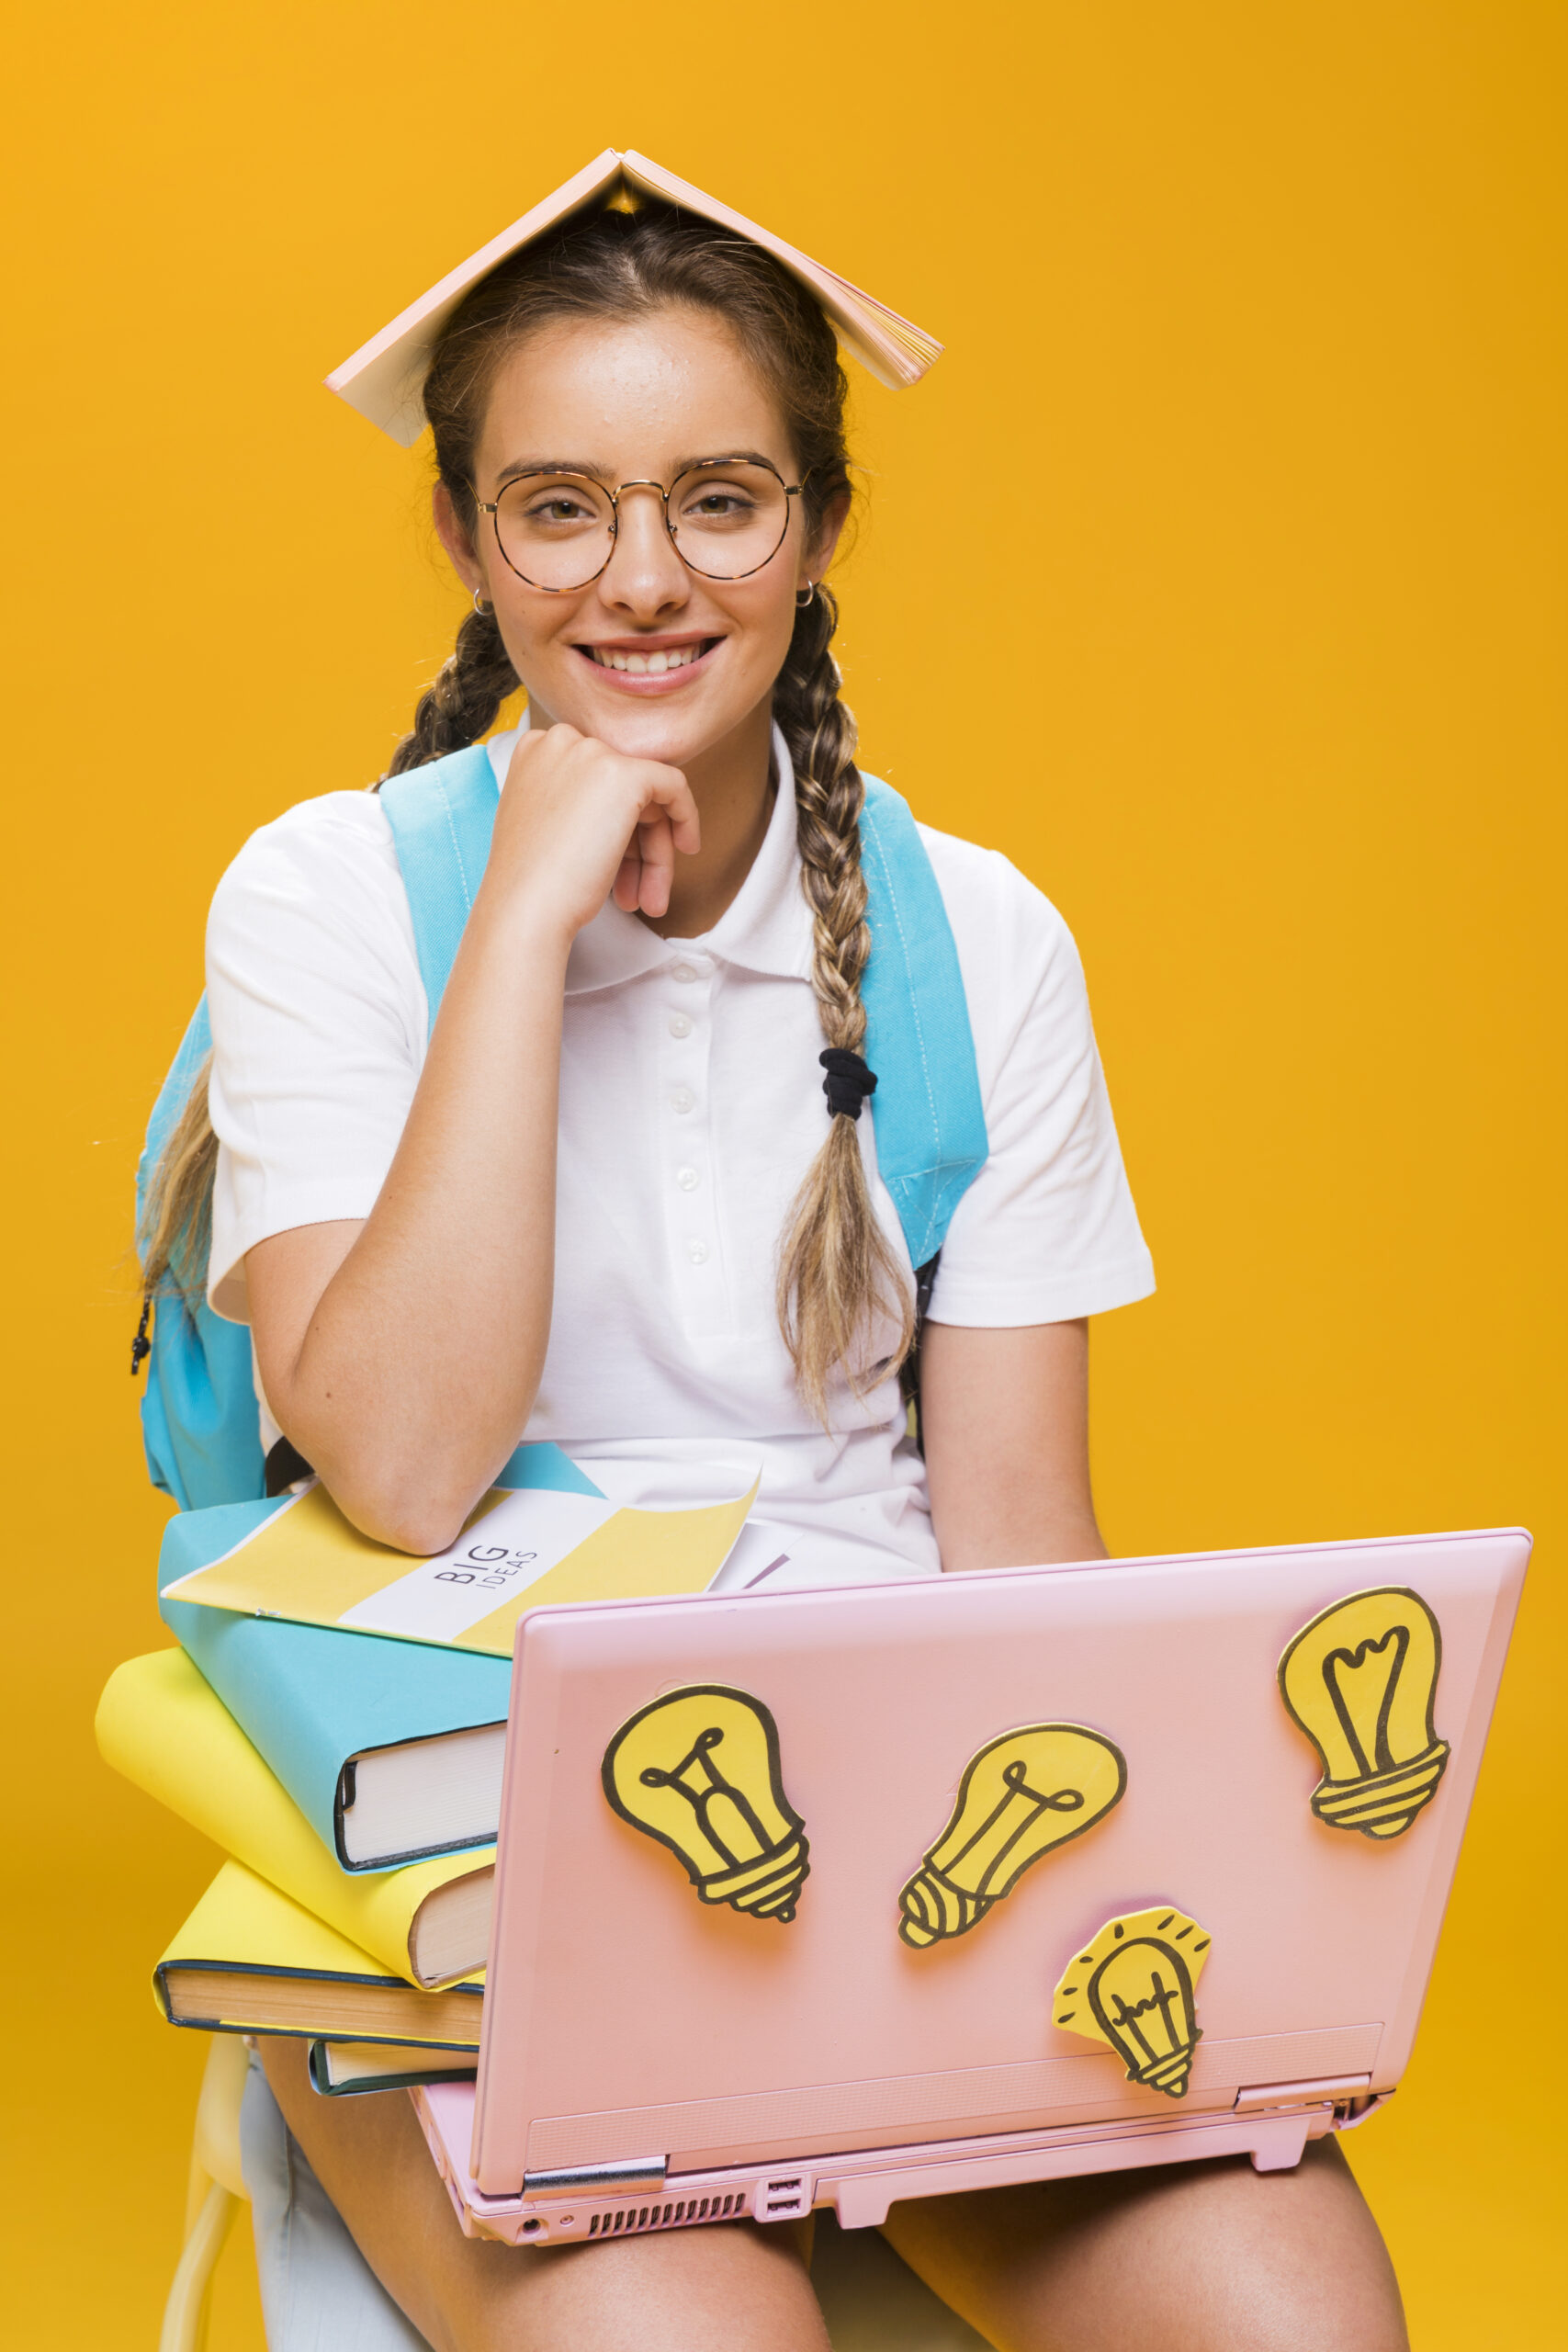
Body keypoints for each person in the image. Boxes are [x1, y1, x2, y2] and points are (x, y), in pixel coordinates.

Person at [152, 194, 1409, 2351]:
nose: (640, 579)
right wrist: (524, 918)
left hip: (904, 1834)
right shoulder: (324, 898)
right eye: (558, 508)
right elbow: (406, 1465)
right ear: (461, 534)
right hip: (459, 1848)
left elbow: (1018, 1547)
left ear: (817, 523)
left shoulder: (977, 933)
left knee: (1291, 2309)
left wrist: (1205, 1931)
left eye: (716, 500)